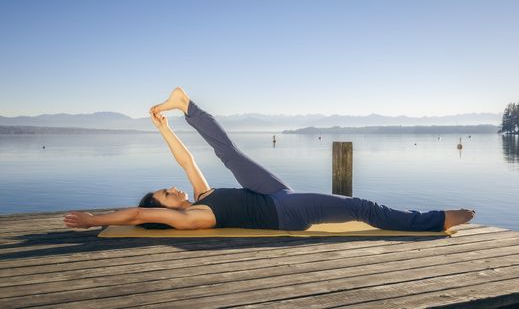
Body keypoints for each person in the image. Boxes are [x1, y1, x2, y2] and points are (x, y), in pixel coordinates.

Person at [64, 87, 475, 231]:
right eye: (165, 194)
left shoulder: (201, 197)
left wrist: (165, 128)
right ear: (162, 210)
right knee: (360, 208)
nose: (173, 189)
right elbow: (137, 218)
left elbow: (188, 161)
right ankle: (435, 220)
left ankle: (185, 104)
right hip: (284, 213)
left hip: (271, 192)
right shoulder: (189, 219)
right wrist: (94, 220)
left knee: (228, 153)